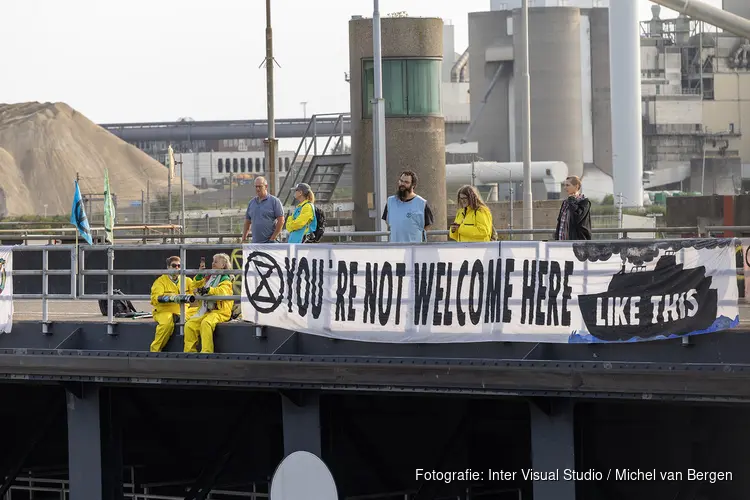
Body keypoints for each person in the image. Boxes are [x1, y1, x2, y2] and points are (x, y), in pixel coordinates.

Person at [184, 253, 234, 354]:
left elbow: (222, 292)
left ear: (223, 265)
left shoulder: (226, 279)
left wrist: (208, 290)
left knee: (206, 323)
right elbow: (194, 286)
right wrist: (200, 274)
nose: (213, 263)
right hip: (206, 311)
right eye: (212, 261)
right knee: (189, 325)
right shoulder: (209, 277)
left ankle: (206, 352)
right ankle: (189, 353)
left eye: (216, 262)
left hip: (220, 311)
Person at [149, 256, 199, 352]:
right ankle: (155, 350)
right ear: (168, 267)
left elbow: (196, 295)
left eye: (179, 266)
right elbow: (155, 298)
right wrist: (171, 298)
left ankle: (190, 351)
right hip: (164, 311)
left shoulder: (187, 280)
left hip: (185, 311)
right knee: (166, 324)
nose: (177, 268)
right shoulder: (160, 281)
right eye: (174, 265)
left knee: (200, 317)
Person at [382, 170, 434, 243]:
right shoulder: (390, 201)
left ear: (413, 185)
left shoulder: (422, 203)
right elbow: (388, 221)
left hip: (414, 249)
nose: (402, 184)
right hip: (394, 248)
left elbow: (427, 225)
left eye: (406, 182)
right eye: (401, 181)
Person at [241, 176, 284, 243]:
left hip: (270, 243)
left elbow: (281, 221)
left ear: (266, 187)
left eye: (260, 186)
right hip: (255, 243)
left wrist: (273, 238)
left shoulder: (274, 201)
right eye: (256, 186)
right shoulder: (251, 203)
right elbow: (247, 222)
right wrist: (244, 238)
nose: (257, 189)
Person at [554, 175, 592, 241]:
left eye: (568, 185)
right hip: (562, 241)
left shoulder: (584, 202)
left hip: (577, 242)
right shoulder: (566, 202)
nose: (565, 188)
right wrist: (556, 237)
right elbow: (560, 221)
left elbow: (577, 218)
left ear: (576, 186)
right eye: (564, 185)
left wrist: (572, 200)